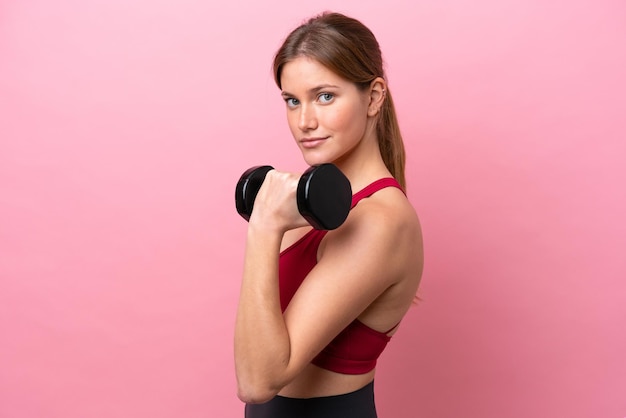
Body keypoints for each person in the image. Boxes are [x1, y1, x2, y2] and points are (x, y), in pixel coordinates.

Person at [234, 11, 424, 418]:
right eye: (292, 101)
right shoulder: (308, 208)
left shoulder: (381, 221)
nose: (304, 122)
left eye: (325, 96)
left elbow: (256, 381)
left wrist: (264, 228)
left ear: (373, 97)